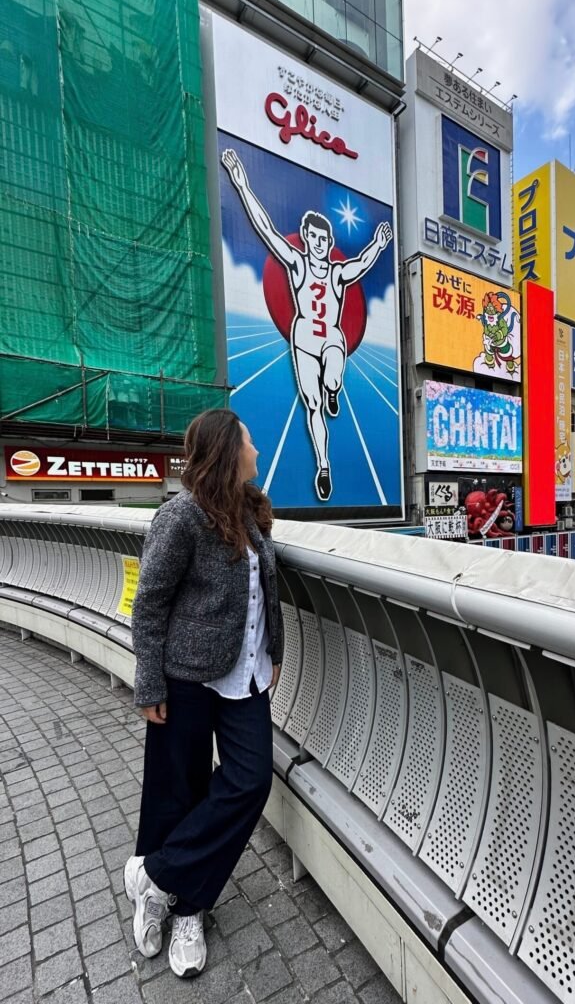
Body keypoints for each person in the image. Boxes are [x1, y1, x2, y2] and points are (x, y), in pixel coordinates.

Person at [124, 408, 284, 978]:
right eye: (249, 443)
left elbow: (259, 595)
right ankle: (185, 910)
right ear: (226, 451)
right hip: (186, 678)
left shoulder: (252, 513)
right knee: (177, 791)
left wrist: (270, 653)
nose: (257, 452)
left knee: (249, 780)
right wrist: (149, 681)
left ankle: (158, 876)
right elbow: (149, 605)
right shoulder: (181, 517)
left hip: (246, 677)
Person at [221, 147, 393, 502]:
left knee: (332, 376)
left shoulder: (337, 272)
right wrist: (241, 184)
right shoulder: (296, 265)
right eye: (313, 238)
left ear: (329, 243)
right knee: (312, 406)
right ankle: (323, 465)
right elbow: (265, 229)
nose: (318, 244)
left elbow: (362, 263)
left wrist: (378, 244)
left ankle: (335, 388)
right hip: (303, 338)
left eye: (323, 239)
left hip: (330, 336)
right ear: (307, 237)